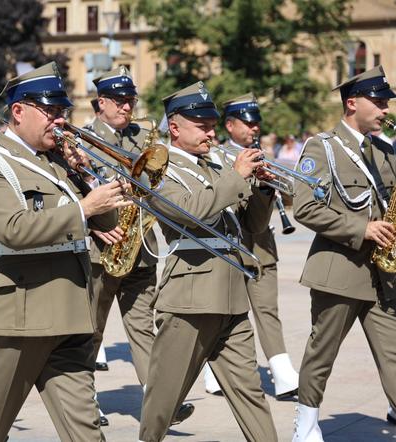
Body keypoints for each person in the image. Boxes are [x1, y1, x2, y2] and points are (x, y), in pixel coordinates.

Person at [0, 62, 126, 442]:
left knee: (86, 431)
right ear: (18, 111)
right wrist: (82, 208)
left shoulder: (57, 163)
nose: (59, 121)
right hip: (17, 319)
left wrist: (87, 177)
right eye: (49, 111)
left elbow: (107, 226)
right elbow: (13, 230)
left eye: (61, 112)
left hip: (69, 316)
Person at [138, 81, 277, 442]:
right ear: (175, 126)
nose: (209, 132)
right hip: (191, 296)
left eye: (212, 124)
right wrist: (236, 177)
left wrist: (263, 190)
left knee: (250, 393)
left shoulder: (218, 166)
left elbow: (252, 226)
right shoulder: (157, 168)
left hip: (232, 294)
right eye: (201, 125)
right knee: (164, 398)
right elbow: (190, 212)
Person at [83, 66, 194, 427]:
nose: (127, 106)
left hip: (140, 247)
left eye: (130, 100)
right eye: (119, 100)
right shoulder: (83, 139)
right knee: (91, 329)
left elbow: (156, 182)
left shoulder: (143, 138)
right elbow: (73, 191)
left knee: (144, 327)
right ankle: (84, 402)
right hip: (102, 247)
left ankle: (159, 401)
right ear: (101, 102)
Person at [292, 65, 396, 441]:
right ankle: (305, 424)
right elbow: (303, 207)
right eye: (379, 102)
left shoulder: (385, 149)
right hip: (339, 270)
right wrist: (361, 228)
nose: (386, 110)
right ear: (352, 103)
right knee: (322, 354)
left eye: (386, 103)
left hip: (382, 274)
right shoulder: (322, 147)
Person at [202, 93, 299, 399]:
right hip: (229, 245)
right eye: (247, 122)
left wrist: (269, 187)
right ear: (229, 125)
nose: (254, 128)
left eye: (256, 122)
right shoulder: (215, 157)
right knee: (222, 312)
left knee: (267, 309)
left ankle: (283, 374)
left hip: (261, 246)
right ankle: (213, 371)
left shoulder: (262, 154)